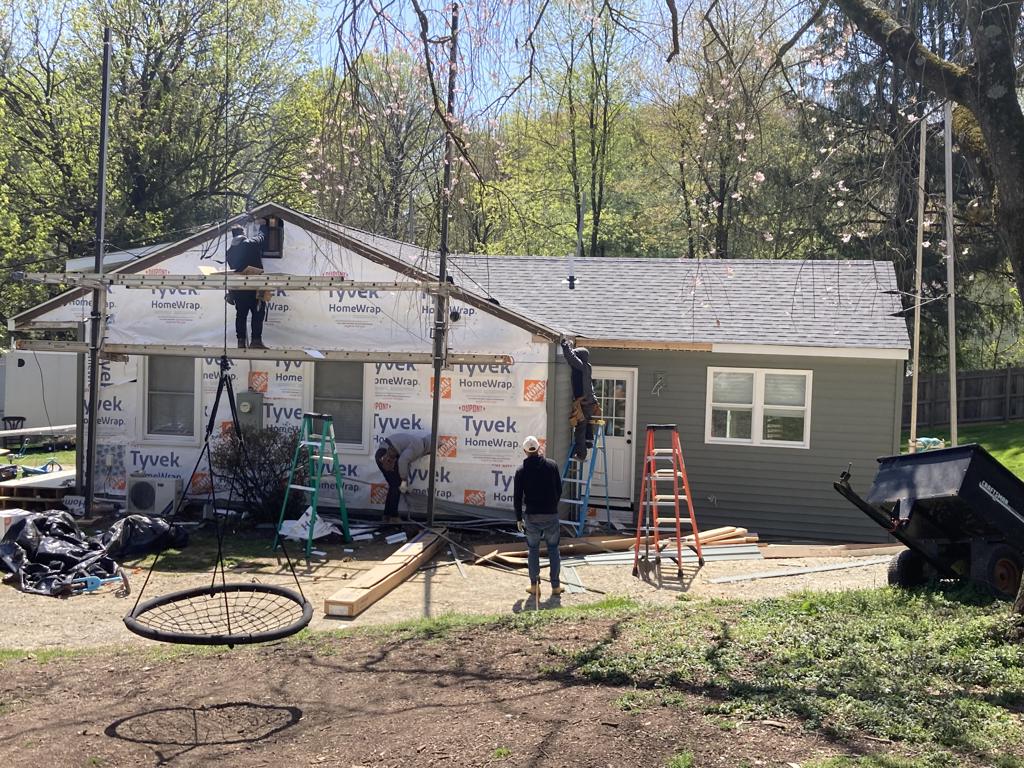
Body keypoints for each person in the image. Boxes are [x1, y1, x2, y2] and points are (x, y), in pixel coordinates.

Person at [513, 435, 564, 596]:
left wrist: (518, 518)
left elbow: (517, 497)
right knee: (554, 550)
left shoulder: (521, 471)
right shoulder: (552, 465)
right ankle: (555, 587)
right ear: (539, 449)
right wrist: (552, 506)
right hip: (551, 515)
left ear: (525, 451)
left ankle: (535, 586)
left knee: (533, 550)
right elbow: (559, 489)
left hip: (532, 516)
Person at [225, 224, 267, 349]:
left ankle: (241, 342)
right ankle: (256, 341)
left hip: (238, 289)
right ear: (243, 234)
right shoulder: (249, 243)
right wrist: (264, 226)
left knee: (241, 315)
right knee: (258, 313)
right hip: (255, 287)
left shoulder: (229, 251)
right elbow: (262, 237)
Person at [374, 431, 433, 517]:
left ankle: (387, 516)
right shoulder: (419, 446)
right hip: (387, 455)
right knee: (396, 485)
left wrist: (404, 483)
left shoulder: (417, 442)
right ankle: (392, 517)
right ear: (430, 447)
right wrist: (404, 480)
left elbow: (405, 462)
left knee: (394, 485)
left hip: (383, 453)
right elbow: (403, 461)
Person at [560, 337, 599, 459]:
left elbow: (570, 357)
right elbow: (573, 357)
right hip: (589, 402)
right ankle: (588, 443)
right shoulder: (586, 366)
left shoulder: (581, 366)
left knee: (580, 428)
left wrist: (565, 344)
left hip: (585, 403)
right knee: (586, 425)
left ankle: (581, 454)